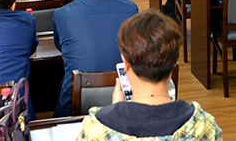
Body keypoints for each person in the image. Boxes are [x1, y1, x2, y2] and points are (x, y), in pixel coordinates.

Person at [78, 10, 222, 140]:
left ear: (125, 63)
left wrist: (116, 110)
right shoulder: (203, 126)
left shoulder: (97, 129)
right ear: (174, 63)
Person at [52, 0, 138, 117]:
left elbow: (60, 47)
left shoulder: (61, 15)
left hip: (75, 104)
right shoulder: (130, 9)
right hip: (125, 97)